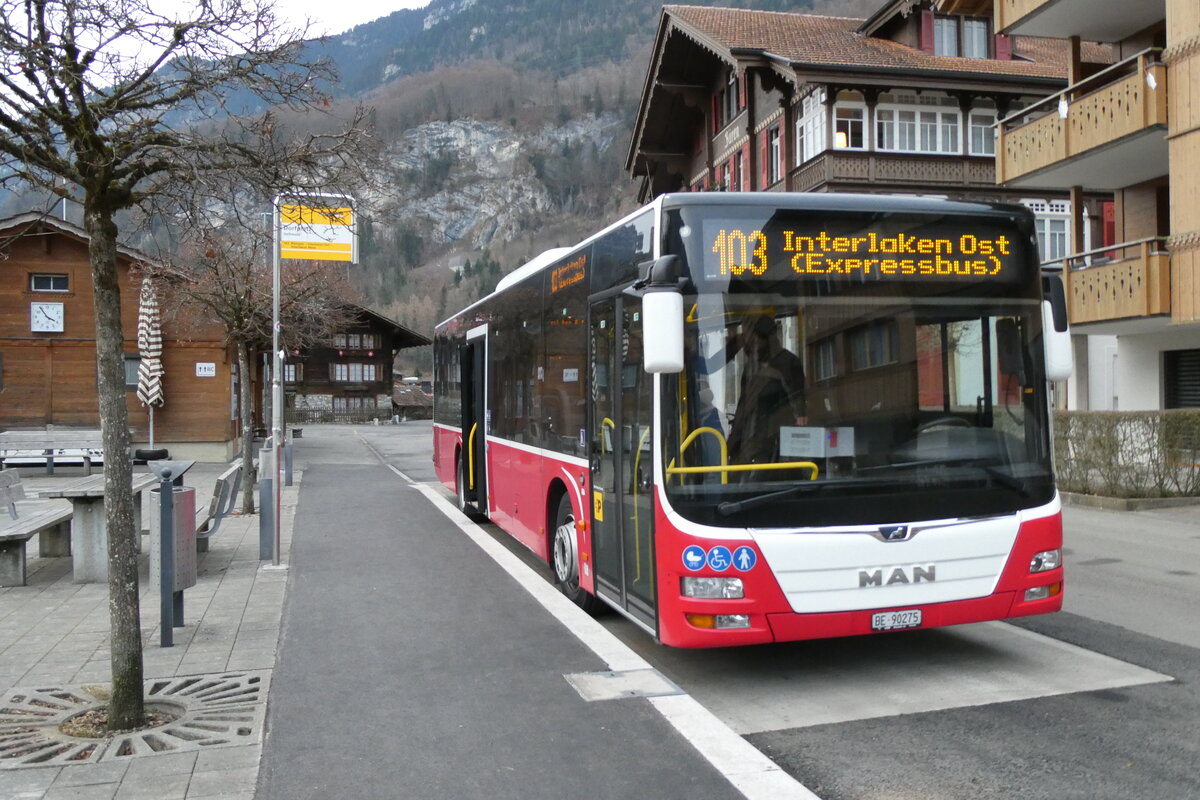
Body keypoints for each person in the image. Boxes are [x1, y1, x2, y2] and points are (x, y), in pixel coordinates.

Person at [726, 313, 807, 467]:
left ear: (762, 338)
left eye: (750, 336)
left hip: (772, 441)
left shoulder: (788, 363)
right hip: (746, 440)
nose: (748, 341)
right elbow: (743, 405)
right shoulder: (752, 365)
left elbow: (799, 409)